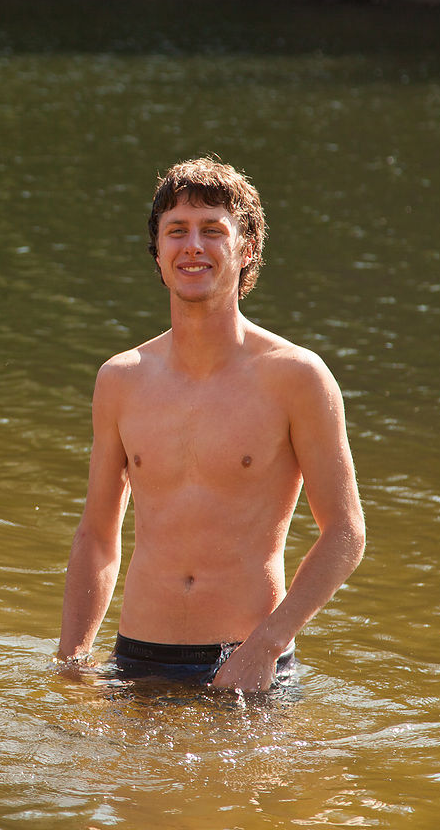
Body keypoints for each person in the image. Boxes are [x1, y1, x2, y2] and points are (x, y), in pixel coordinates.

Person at [56, 157, 365, 692]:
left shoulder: (295, 377)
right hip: (136, 662)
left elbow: (345, 532)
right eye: (176, 231)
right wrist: (72, 660)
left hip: (248, 665)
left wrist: (265, 648)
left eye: (212, 231)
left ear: (246, 250)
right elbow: (96, 536)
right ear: (158, 252)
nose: (192, 245)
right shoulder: (121, 379)